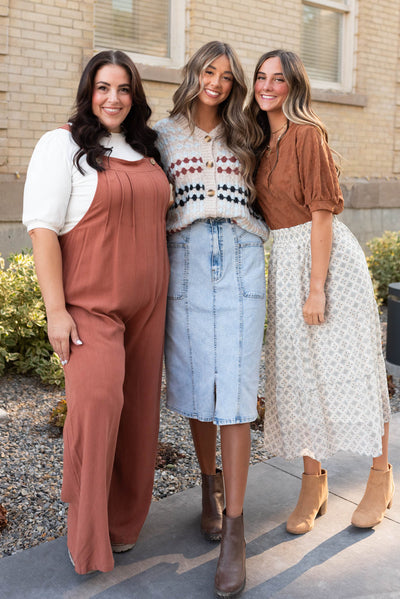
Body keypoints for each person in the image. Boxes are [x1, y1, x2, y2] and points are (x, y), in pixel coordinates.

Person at [23, 50, 171, 574]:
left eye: (124, 89)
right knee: (98, 407)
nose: (114, 98)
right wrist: (56, 311)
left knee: (138, 416)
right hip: (90, 308)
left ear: (135, 96)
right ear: (89, 91)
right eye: (104, 88)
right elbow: (43, 230)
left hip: (149, 307)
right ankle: (85, 537)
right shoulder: (61, 145)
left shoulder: (147, 148)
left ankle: (125, 523)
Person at [249, 49, 393, 535]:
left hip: (324, 264)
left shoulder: (307, 134)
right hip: (284, 263)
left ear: (295, 86)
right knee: (298, 378)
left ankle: (380, 476)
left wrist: (317, 289)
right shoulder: (258, 140)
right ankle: (314, 484)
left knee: (355, 369)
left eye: (278, 79)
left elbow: (322, 213)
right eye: (261, 77)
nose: (267, 86)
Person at [154, 41, 268, 597]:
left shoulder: (248, 133)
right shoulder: (162, 134)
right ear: (194, 73)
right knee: (201, 383)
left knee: (238, 394)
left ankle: (236, 532)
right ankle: (208, 487)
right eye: (208, 71)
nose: (216, 82)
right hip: (186, 259)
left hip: (243, 259)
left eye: (227, 75)